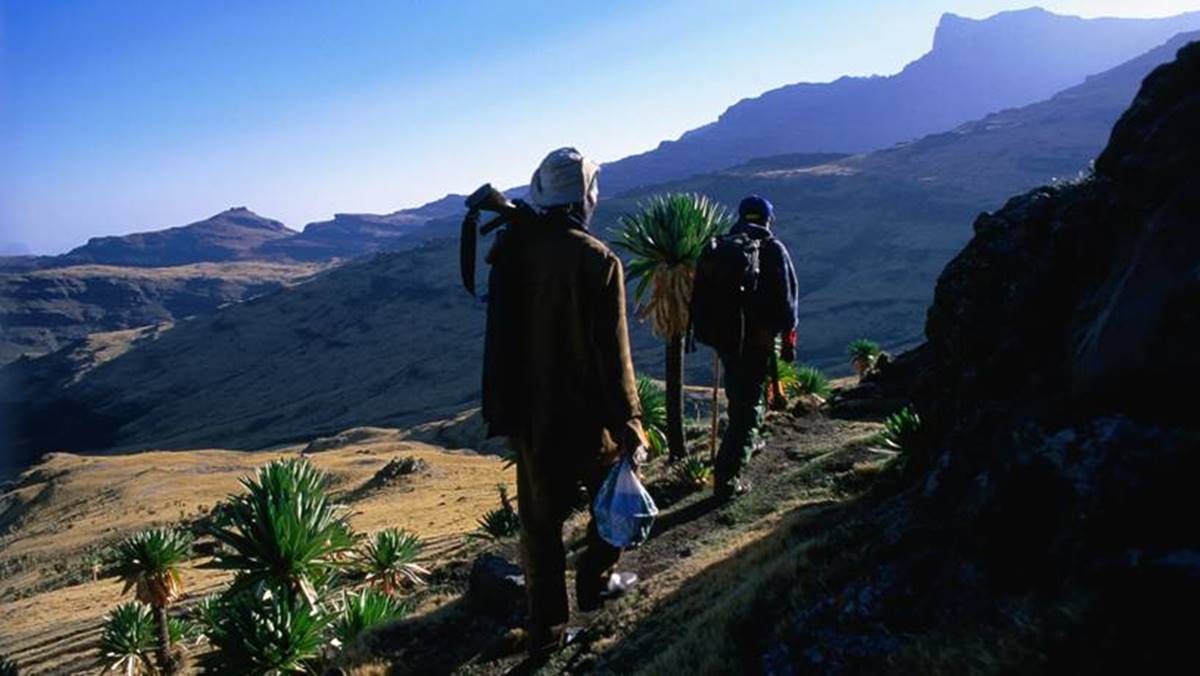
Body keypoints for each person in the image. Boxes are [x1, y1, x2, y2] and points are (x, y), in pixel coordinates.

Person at [479, 147, 647, 658]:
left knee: (540, 527)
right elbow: (613, 355)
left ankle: (546, 635)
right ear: (587, 197)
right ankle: (596, 582)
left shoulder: (512, 251)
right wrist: (630, 422)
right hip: (586, 419)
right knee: (617, 507)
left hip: (530, 418)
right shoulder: (598, 260)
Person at [712, 195, 798, 501]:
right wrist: (788, 340)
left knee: (740, 398)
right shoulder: (773, 249)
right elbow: (788, 303)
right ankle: (727, 480)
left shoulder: (723, 246)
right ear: (768, 219)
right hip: (757, 342)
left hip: (726, 340)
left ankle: (744, 444)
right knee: (749, 410)